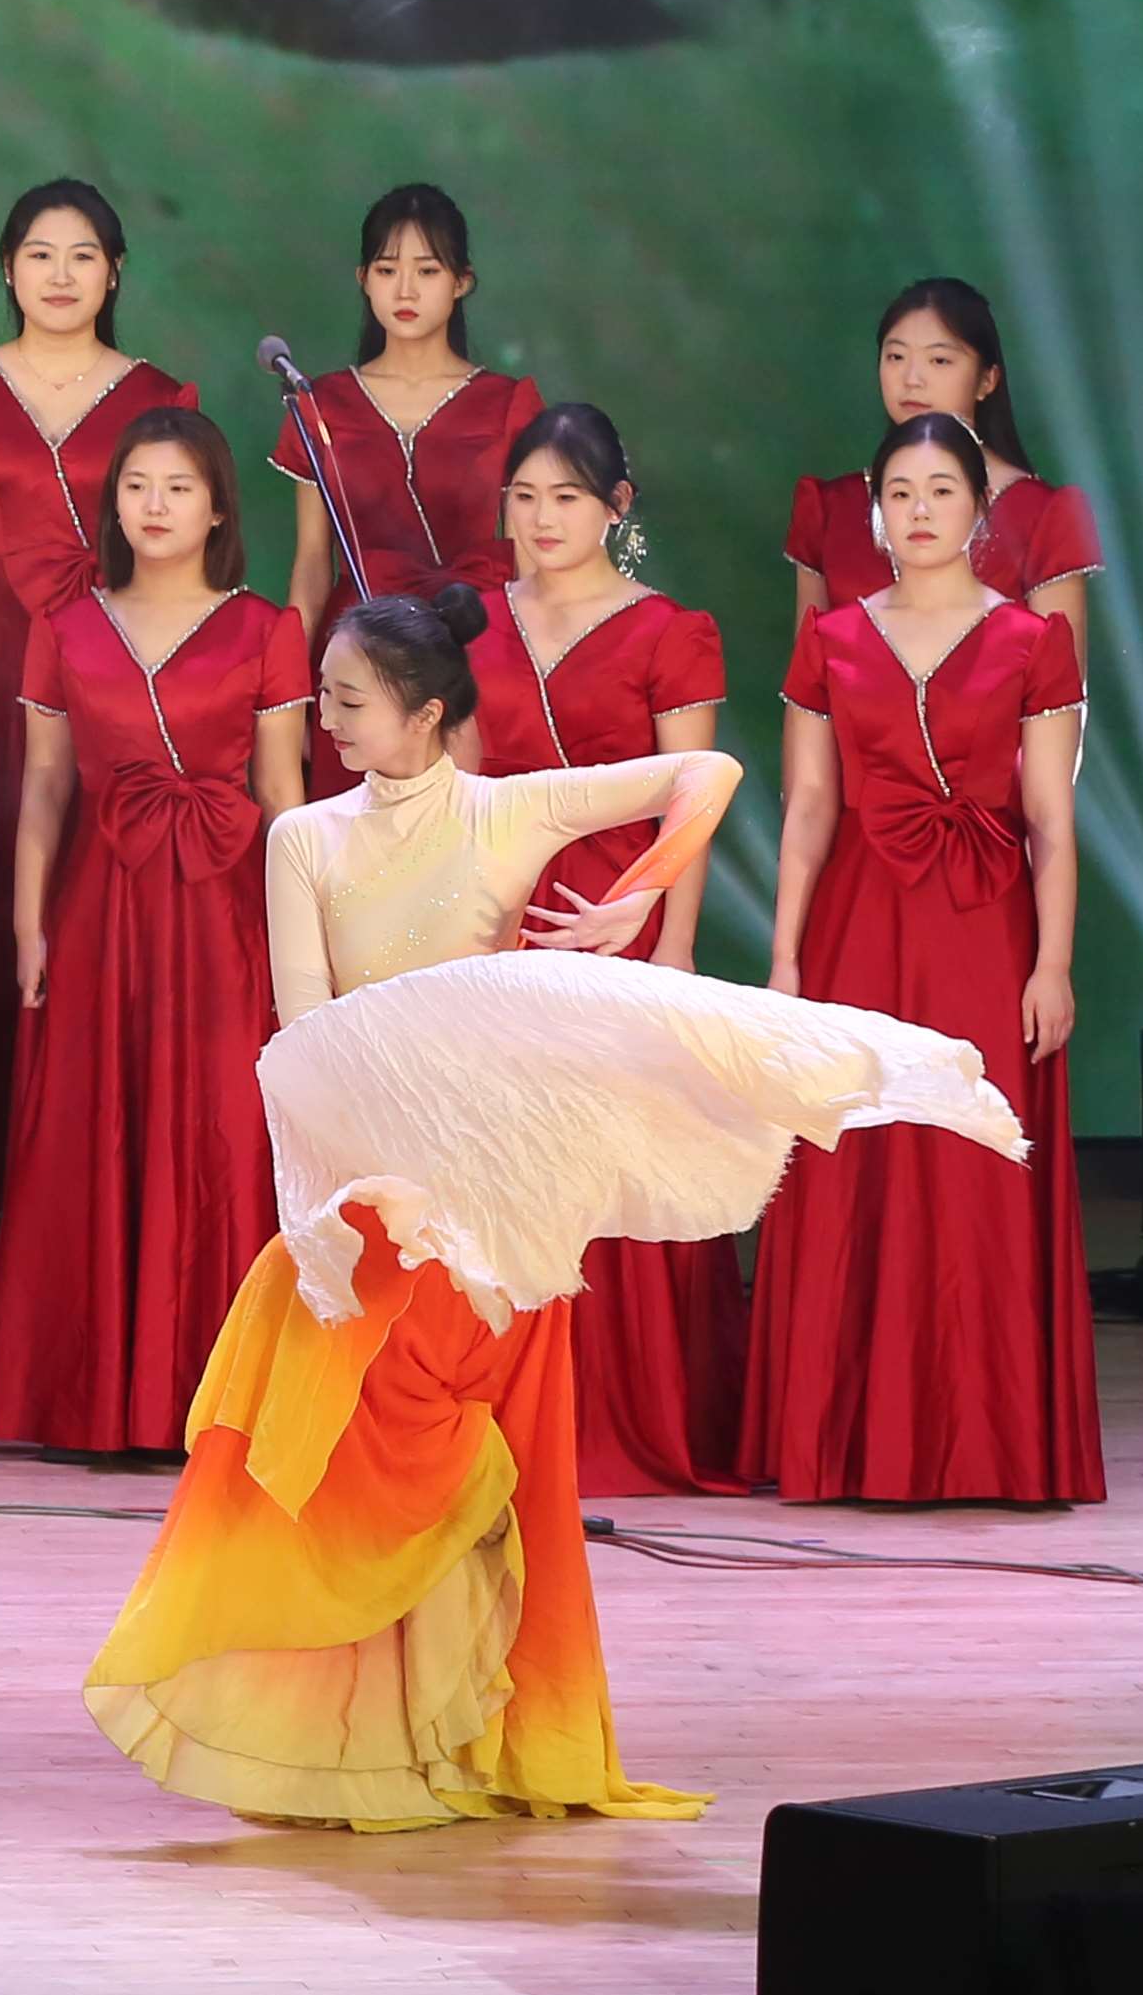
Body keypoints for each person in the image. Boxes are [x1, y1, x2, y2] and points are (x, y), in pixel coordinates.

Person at [82, 589, 1006, 1829]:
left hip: (500, 1202)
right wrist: (360, 1187)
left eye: (350, 700)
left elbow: (709, 771)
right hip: (377, 1192)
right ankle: (371, 1743)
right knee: (347, 1455)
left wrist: (641, 895)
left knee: (495, 1462)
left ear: (427, 713)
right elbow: (306, 1030)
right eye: (325, 698)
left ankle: (475, 1741)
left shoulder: (510, 808)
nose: (326, 719)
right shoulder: (302, 837)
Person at [745, 414, 1101, 1506]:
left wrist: (1052, 964)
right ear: (875, 515)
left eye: (943, 491)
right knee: (860, 1154)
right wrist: (786, 960)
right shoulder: (831, 638)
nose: (920, 511)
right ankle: (847, 1442)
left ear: (980, 510)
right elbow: (810, 808)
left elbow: (1050, 821)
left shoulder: (1033, 640)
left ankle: (992, 1444)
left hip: (988, 928)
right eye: (900, 493)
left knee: (973, 1160)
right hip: (858, 925)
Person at [0, 406, 307, 1456]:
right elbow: (43, 790)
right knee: (90, 1128)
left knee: (222, 1131)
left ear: (218, 510)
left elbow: (286, 801)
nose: (155, 506)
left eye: (179, 488)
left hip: (225, 914)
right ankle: (85, 1400)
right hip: (98, 907)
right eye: (136, 486)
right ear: (111, 504)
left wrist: (306, 948)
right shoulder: (64, 627)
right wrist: (28, 924)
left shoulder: (268, 630)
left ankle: (222, 1402)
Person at [0, 181, 190, 1221]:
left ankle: (96, 1168)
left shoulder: (160, 396)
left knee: (96, 891)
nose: (61, 275)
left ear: (116, 273)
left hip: (114, 662)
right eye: (40, 255)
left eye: (84, 255)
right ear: (7, 270)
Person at [462, 405, 748, 1494]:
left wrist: (667, 938)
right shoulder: (472, 623)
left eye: (568, 498)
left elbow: (694, 800)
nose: (543, 519)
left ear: (616, 507)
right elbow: (461, 791)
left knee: (617, 1163)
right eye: (525, 497)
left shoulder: (671, 631)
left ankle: (630, 1420)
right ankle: (502, 1424)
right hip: (505, 917)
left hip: (618, 911)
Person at [273, 185, 538, 705]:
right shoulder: (318, 403)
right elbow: (312, 563)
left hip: (478, 649)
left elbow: (528, 564)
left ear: (461, 282)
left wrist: (530, 673)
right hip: (357, 655)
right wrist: (291, 691)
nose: (405, 291)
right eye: (387, 270)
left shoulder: (509, 404)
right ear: (364, 279)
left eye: (428, 271)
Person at [782, 278, 1102, 655]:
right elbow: (808, 676)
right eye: (896, 357)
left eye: (939, 360)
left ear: (987, 380)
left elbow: (1063, 682)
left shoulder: (1041, 515)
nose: (912, 379)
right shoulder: (831, 509)